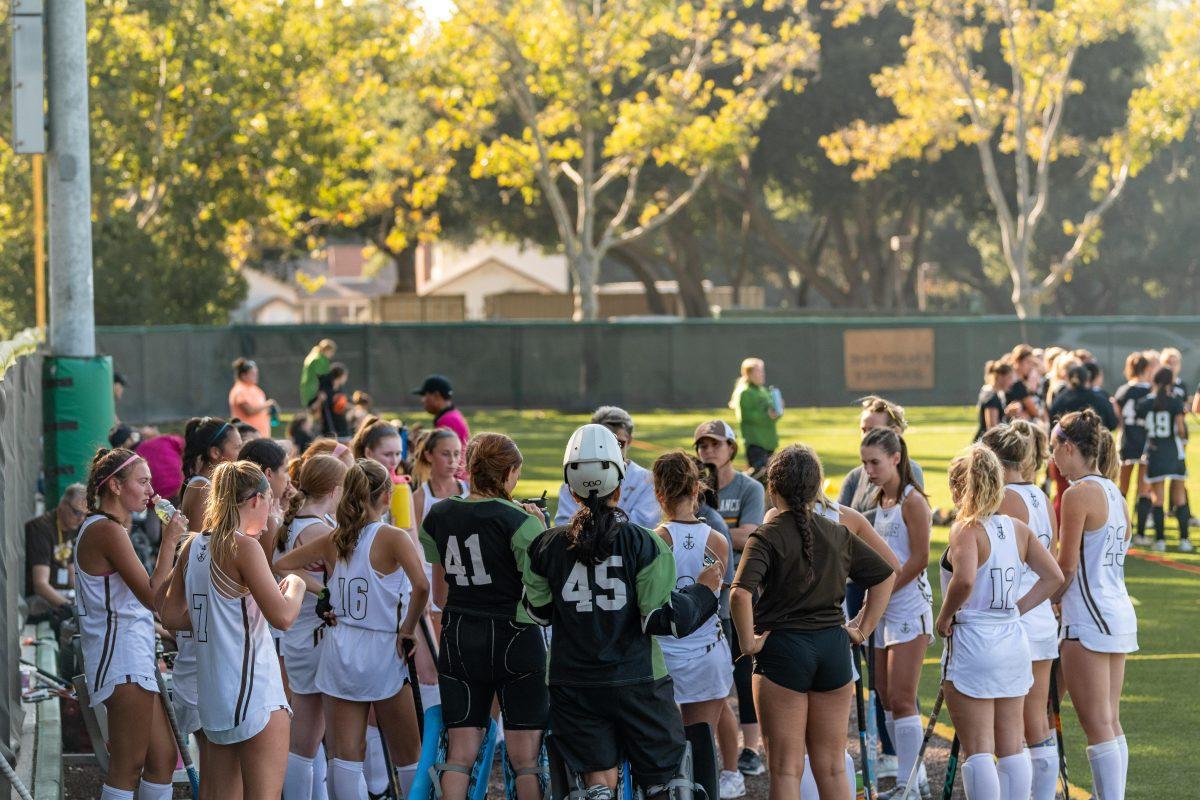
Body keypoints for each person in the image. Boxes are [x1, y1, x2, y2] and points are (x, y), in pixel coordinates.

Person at [521, 424, 722, 800]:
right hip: (638, 680)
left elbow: (540, 611)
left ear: (569, 485)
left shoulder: (544, 546)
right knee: (666, 780)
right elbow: (663, 619)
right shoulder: (643, 543)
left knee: (597, 783)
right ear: (620, 481)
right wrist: (704, 591)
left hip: (574, 683)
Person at [731, 445, 896, 800]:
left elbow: (739, 595)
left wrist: (749, 644)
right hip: (834, 649)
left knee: (786, 769)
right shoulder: (837, 532)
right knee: (833, 765)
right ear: (816, 486)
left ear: (772, 489)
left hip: (784, 652)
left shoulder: (767, 534)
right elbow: (885, 575)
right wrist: (861, 629)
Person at [275, 459, 430, 800]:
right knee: (408, 753)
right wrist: (408, 629)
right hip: (383, 648)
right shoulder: (392, 536)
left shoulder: (335, 537)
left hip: (340, 647)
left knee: (345, 755)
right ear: (386, 495)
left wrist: (324, 590)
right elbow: (421, 586)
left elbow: (281, 564)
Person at [160, 461, 304, 800]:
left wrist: (215, 615)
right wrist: (296, 583)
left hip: (215, 699)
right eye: (270, 500)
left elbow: (169, 615)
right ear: (255, 499)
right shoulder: (244, 546)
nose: (272, 510)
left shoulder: (193, 545)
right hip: (256, 695)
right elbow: (283, 616)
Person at [419, 433, 548, 800]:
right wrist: (538, 527)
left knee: (459, 752)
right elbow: (541, 594)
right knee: (526, 758)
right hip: (515, 634)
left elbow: (441, 593)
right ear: (508, 473)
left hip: (459, 631)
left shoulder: (439, 513)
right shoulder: (520, 521)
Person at [936, 445, 1063, 800]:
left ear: (961, 487)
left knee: (978, 750)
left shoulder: (966, 529)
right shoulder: (1018, 528)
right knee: (1011, 746)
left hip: (975, 642)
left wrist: (945, 617)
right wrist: (1016, 609)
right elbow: (1053, 576)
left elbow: (963, 581)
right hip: (1012, 642)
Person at [77, 448, 187, 800]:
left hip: (133, 654)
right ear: (114, 486)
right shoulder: (106, 531)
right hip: (120, 660)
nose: (150, 491)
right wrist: (170, 539)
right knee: (127, 767)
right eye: (142, 481)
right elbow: (152, 595)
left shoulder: (113, 529)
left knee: (164, 757)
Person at [1050, 410, 1137, 800]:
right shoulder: (1115, 494)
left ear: (1069, 447)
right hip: (1116, 614)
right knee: (1109, 721)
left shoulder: (1078, 493)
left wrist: (1039, 601)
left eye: (1054, 448)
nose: (1053, 457)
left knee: (1097, 723)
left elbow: (1065, 567)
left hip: (1088, 618)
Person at [981, 422, 1062, 800]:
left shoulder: (1007, 498)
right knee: (1036, 718)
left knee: (1014, 724)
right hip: (1041, 616)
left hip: (1019, 616)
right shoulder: (1041, 496)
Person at [650, 453, 733, 793]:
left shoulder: (654, 541)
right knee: (701, 746)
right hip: (706, 653)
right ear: (698, 488)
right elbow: (716, 595)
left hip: (663, 658)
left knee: (664, 748)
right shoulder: (718, 541)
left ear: (659, 493)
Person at [859, 427, 933, 799]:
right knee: (885, 695)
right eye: (865, 463)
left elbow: (920, 558)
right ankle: (913, 777)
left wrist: (885, 592)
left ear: (895, 459)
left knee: (903, 697)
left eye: (875, 462)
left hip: (908, 607)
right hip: (884, 606)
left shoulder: (912, 500)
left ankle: (909, 785)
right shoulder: (880, 500)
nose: (868, 470)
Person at [693, 419, 767, 782]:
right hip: (705, 594)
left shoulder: (749, 487)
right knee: (710, 677)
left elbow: (751, 535)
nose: (708, 451)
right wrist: (726, 532)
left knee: (744, 671)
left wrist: (705, 530)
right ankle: (714, 751)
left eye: (715, 444)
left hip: (741, 592)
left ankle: (751, 748)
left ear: (731, 448)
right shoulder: (695, 488)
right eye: (703, 445)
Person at [171, 417, 243, 786]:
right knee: (209, 728)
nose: (241, 453)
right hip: (201, 614)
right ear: (216, 453)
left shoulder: (206, 485)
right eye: (236, 448)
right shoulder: (202, 487)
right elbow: (202, 553)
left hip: (203, 613)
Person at [276, 453, 348, 800]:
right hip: (313, 634)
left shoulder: (301, 520)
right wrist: (328, 591)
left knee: (309, 734)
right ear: (336, 489)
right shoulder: (319, 528)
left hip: (301, 635)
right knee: (310, 735)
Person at [555, 407, 661, 529]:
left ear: (630, 440)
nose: (612, 451)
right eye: (603, 445)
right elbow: (563, 525)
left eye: (619, 444)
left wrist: (587, 521)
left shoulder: (648, 480)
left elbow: (645, 525)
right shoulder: (574, 476)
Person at [1134, 367, 1191, 551]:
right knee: (1179, 496)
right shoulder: (1174, 401)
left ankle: (1160, 540)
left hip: (1154, 452)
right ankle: (1184, 540)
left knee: (1157, 498)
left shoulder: (1144, 403)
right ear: (1170, 381)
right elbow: (1181, 429)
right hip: (1173, 452)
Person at [24, 484, 85, 622]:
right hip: (38, 599)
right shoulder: (41, 528)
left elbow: (71, 574)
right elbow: (40, 585)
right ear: (63, 504)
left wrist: (85, 597)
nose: (81, 519)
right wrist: (69, 606)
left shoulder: (71, 526)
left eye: (84, 514)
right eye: (77, 512)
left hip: (60, 593)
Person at [1113, 352, 1155, 543]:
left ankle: (1119, 532)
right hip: (1146, 443)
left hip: (1127, 442)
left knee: (1122, 488)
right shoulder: (1150, 391)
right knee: (1143, 489)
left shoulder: (1122, 390)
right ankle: (1140, 534)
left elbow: (1118, 418)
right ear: (1147, 369)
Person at [728, 357, 780, 472]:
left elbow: (774, 413)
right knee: (759, 476)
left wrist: (778, 411)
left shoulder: (764, 391)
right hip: (755, 442)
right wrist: (767, 415)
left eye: (762, 370)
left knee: (770, 476)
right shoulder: (744, 392)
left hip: (769, 441)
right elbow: (746, 416)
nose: (762, 374)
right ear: (748, 374)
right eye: (758, 371)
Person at [413, 375, 470, 453]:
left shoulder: (448, 421)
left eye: (424, 395)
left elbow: (439, 457)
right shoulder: (453, 415)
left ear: (436, 395)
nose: (422, 400)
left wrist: (417, 444)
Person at [1049, 364, 1118, 430]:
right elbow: (1112, 424)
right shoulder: (1100, 398)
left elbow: (1053, 424)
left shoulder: (1060, 400)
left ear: (1068, 379)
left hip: (1067, 441)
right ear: (1087, 379)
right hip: (1093, 440)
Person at [229, 358, 277, 439]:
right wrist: (267, 404)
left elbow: (260, 410)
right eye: (252, 374)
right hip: (247, 437)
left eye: (256, 373)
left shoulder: (257, 390)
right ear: (244, 375)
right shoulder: (239, 390)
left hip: (262, 435)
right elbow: (249, 411)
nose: (256, 376)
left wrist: (269, 410)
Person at [975, 359, 1014, 440]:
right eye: (1009, 378)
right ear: (1000, 377)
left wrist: (1007, 414)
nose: (1011, 382)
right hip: (986, 445)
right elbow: (992, 428)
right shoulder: (991, 397)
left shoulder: (997, 394)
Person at [300, 339, 337, 410]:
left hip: (307, 390)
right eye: (332, 352)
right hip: (314, 391)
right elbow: (323, 378)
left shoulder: (313, 356)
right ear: (327, 350)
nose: (332, 355)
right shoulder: (319, 359)